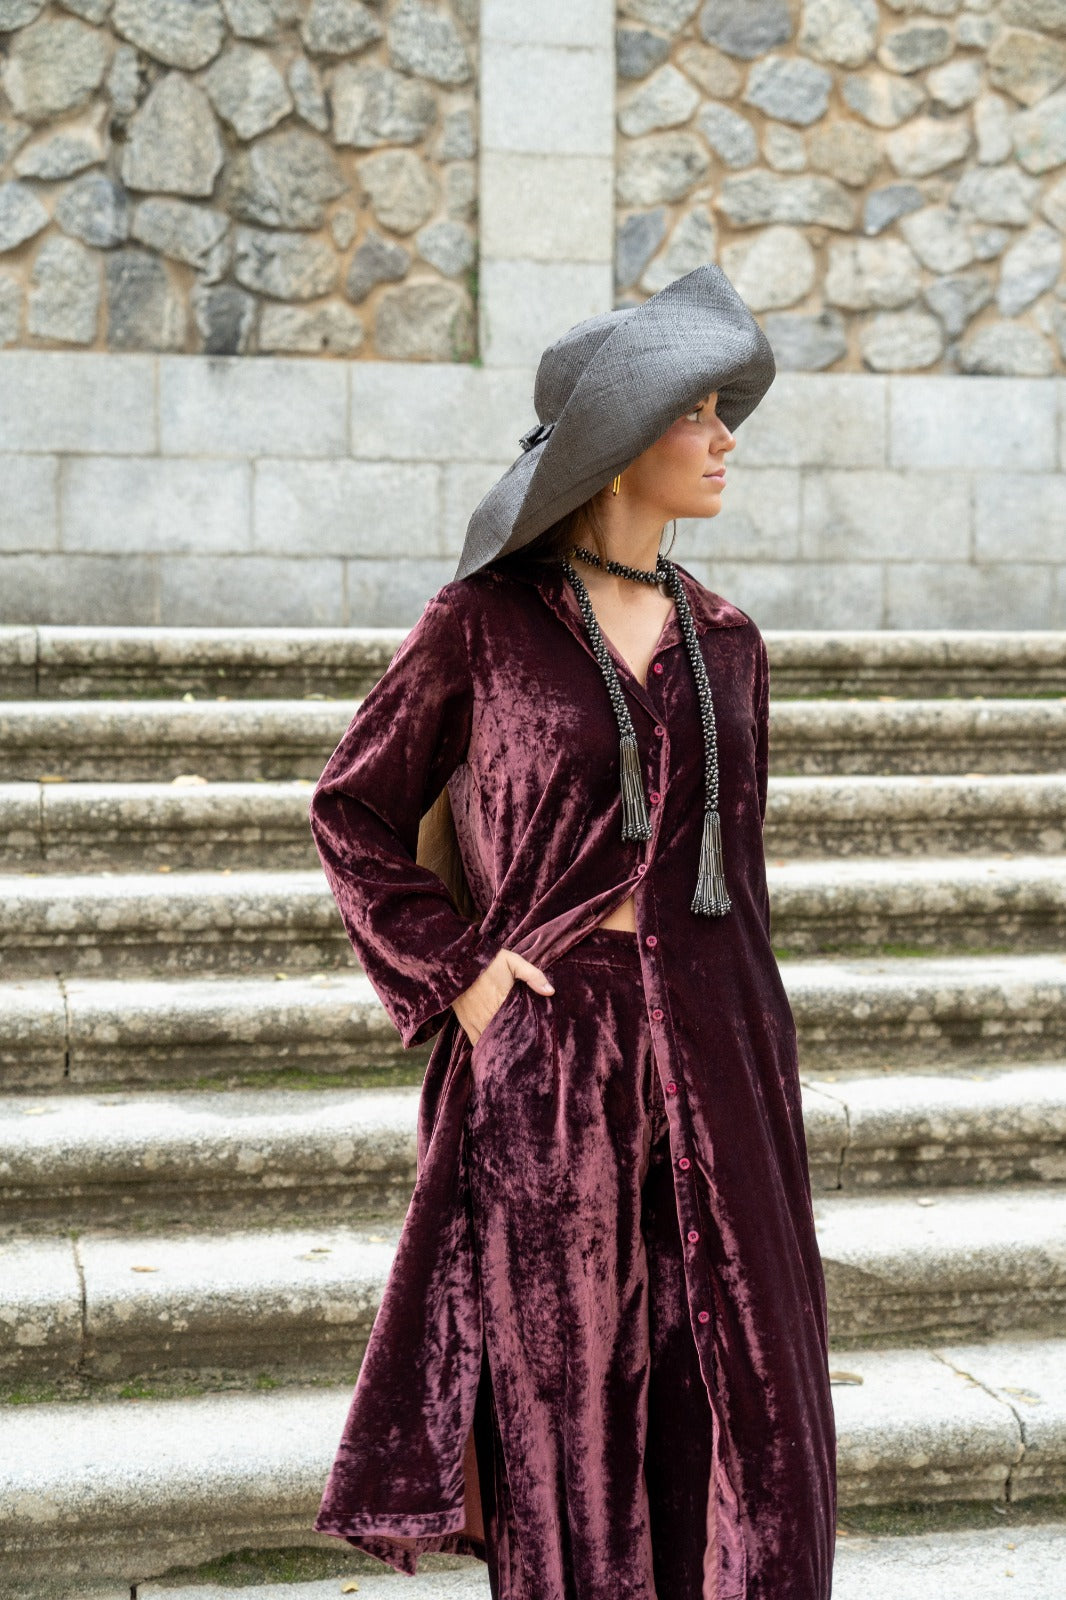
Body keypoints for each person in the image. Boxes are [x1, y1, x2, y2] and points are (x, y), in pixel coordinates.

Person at [308, 265, 837, 1600]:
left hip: (721, 1048)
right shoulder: (481, 627)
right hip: (556, 1062)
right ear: (619, 440)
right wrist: (458, 975)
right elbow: (351, 809)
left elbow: (739, 878)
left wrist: (762, 1050)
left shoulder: (729, 643)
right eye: (694, 414)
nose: (723, 440)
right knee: (568, 1406)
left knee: (746, 1404)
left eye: (721, 414)